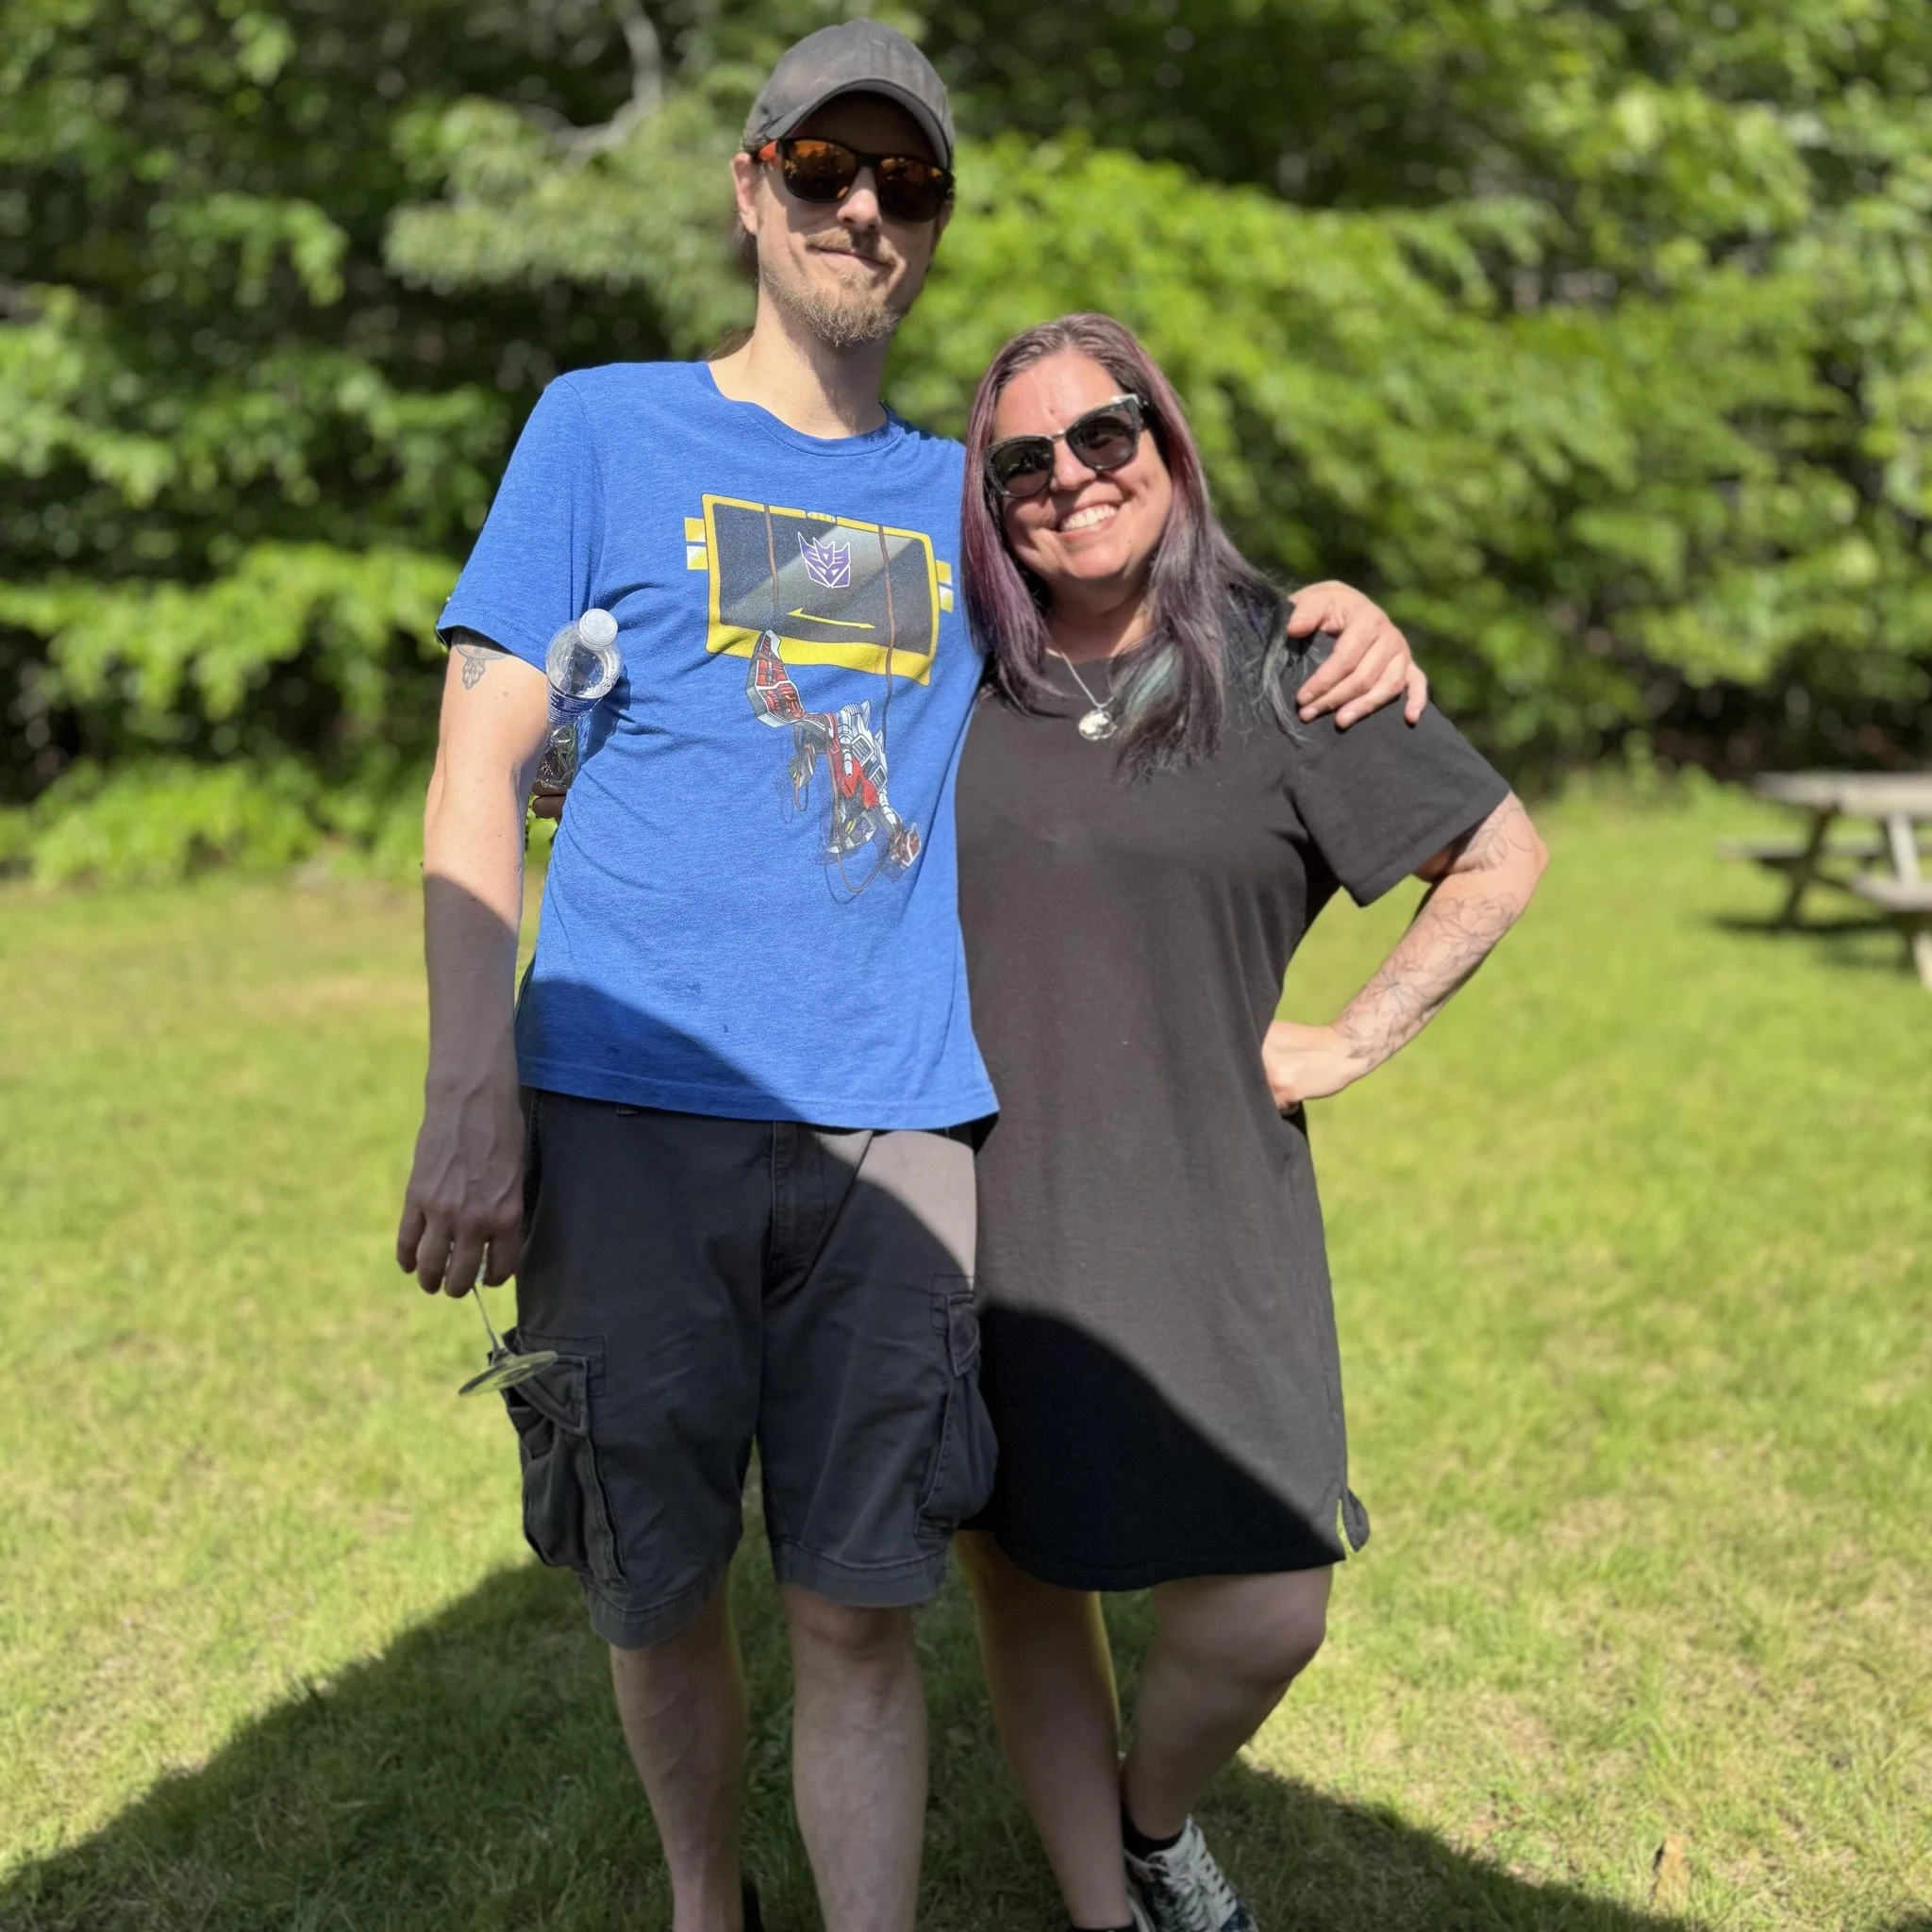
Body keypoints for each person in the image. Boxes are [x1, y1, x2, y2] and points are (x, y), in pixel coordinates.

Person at [395, 23, 1424, 1932]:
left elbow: (1155, 581)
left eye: (904, 183)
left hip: (897, 1130)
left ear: (931, 227)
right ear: (751, 186)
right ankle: (713, 1902)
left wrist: (1337, 614)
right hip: (626, 1111)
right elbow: (478, 762)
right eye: (821, 168)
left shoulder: (972, 507)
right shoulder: (601, 426)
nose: (861, 206)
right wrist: (473, 1090)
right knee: (655, 1583)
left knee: (861, 1606)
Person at [950, 313, 1548, 1932]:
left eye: (1104, 434)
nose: (1069, 478)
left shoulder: (1291, 657)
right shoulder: (953, 663)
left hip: (1215, 1195)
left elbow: (1499, 854)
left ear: (1167, 439)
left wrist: (1360, 1033)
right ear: (986, 494)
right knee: (1026, 1571)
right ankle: (1101, 1905)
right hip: (980, 1202)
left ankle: (1151, 1821)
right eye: (1021, 459)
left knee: (1272, 1598)